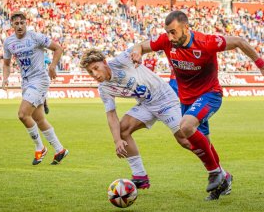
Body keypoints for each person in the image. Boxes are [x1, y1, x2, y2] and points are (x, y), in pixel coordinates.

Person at [131, 10, 264, 200]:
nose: (169, 36)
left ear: (185, 27)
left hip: (210, 95)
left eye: (173, 32)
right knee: (204, 145)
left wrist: (260, 64)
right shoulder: (166, 41)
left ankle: (214, 172)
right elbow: (142, 45)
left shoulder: (207, 42)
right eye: (167, 32)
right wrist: (137, 50)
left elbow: (239, 41)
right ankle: (224, 179)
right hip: (187, 100)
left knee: (185, 126)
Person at [80, 48, 191, 190]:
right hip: (146, 103)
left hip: (164, 98)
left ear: (104, 62)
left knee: (184, 140)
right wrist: (117, 141)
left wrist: (139, 51)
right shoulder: (104, 89)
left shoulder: (121, 61)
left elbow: (142, 45)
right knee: (122, 130)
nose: (94, 74)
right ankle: (140, 177)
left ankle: (217, 170)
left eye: (96, 68)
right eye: (90, 72)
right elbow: (111, 114)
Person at [2, 11, 69, 165]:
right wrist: (5, 78)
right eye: (16, 23)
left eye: (22, 23)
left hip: (39, 80)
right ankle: (60, 150)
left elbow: (58, 48)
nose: (19, 26)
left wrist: (52, 66)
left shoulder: (36, 37)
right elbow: (6, 63)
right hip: (26, 82)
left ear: (26, 23)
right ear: (12, 25)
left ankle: (40, 147)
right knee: (39, 119)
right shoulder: (9, 42)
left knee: (23, 114)